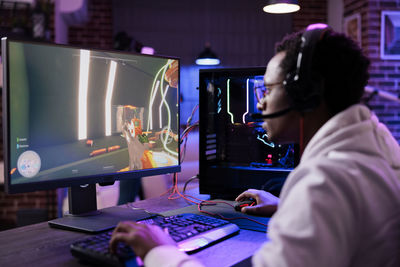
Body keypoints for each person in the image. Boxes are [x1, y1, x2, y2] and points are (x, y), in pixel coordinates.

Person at [109, 25, 400, 267]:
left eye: (268, 89)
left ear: (305, 94)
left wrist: (159, 251)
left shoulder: (323, 182)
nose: (259, 102)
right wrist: (286, 207)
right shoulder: (377, 144)